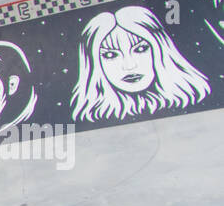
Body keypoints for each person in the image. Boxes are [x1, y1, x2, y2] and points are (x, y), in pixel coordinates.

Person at [71, 6, 211, 122]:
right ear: (93, 64)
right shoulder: (96, 117)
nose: (129, 65)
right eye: (110, 55)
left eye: (140, 49)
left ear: (160, 50)